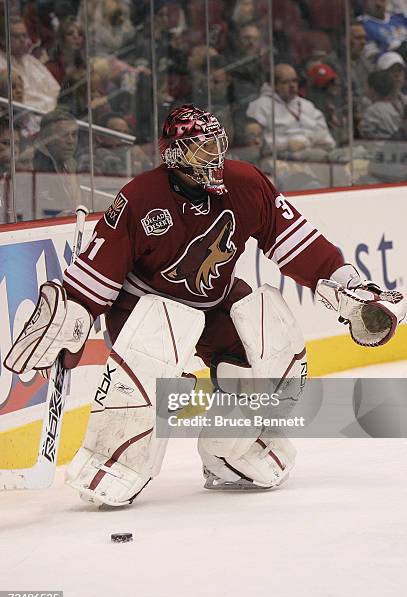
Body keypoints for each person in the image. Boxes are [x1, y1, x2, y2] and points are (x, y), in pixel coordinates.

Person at [4, 105, 405, 507]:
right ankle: (114, 459)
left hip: (215, 301)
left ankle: (227, 453)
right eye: (200, 149)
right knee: (156, 348)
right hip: (145, 307)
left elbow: (299, 243)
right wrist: (71, 313)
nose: (213, 157)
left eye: (217, 144)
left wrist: (345, 284)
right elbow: (96, 273)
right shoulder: (141, 198)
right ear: (174, 155)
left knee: (275, 352)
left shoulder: (246, 183)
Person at [247, 63, 335, 159]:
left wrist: (306, 141)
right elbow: (258, 143)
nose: (292, 85)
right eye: (285, 82)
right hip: (282, 158)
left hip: (315, 151)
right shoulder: (260, 106)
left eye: (294, 81)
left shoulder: (307, 105)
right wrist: (286, 144)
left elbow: (325, 136)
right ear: (274, 85)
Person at [0, 16, 60, 114]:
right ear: (3, 39)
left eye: (24, 35)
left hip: (51, 116)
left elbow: (56, 90)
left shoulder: (32, 61)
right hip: (20, 118)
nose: (23, 40)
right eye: (16, 36)